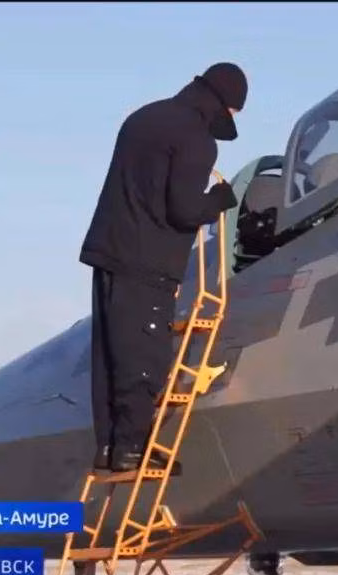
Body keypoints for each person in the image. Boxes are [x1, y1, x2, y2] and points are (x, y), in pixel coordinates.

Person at [80, 62, 247, 472]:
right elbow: (185, 209)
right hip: (148, 262)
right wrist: (221, 199)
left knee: (110, 356)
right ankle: (133, 450)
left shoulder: (143, 118)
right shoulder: (196, 139)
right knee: (144, 357)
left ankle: (110, 447)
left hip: (108, 253)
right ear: (225, 105)